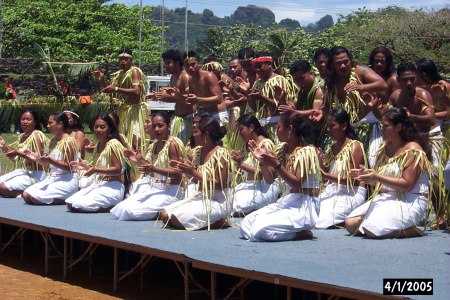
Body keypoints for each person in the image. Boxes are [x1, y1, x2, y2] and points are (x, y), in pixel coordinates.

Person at [345, 107, 433, 238]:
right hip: (386, 198)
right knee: (350, 224)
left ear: (398, 127)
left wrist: (376, 176)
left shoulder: (413, 149)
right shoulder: (385, 147)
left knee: (372, 230)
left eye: (385, 126)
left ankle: (412, 230)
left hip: (410, 200)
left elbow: (407, 185)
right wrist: (367, 177)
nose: (382, 129)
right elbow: (379, 183)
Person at [240, 110, 322, 241]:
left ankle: (302, 233)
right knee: (246, 224)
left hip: (304, 206)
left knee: (261, 231)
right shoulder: (282, 150)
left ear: (289, 129)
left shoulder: (307, 151)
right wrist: (262, 162)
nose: (276, 130)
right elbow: (270, 179)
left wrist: (277, 164)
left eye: (278, 127)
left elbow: (296, 183)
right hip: (287, 201)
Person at [160, 117, 234, 230]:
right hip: (201, 197)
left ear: (206, 134)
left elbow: (219, 185)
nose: (193, 135)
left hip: (219, 202)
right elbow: (197, 181)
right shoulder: (199, 151)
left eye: (196, 132)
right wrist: (186, 171)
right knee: (165, 215)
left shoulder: (221, 154)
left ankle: (219, 222)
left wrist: (193, 172)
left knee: (177, 219)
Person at [110, 112, 186, 220]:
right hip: (155, 189)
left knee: (130, 212)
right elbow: (152, 171)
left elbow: (178, 174)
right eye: (154, 126)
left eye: (160, 125)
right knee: (122, 207)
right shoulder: (155, 144)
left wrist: (154, 168)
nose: (156, 129)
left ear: (168, 126)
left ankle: (167, 212)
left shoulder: (173, 144)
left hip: (171, 191)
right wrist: (138, 161)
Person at [315, 109, 367, 229]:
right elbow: (324, 177)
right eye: (327, 126)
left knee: (321, 222)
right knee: (312, 213)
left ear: (343, 126)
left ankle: (345, 220)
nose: (328, 130)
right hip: (332, 190)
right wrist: (319, 161)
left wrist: (325, 175)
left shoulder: (355, 146)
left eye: (332, 126)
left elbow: (352, 180)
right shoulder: (332, 147)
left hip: (352, 192)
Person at [66, 114, 129, 212]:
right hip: (100, 184)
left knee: (79, 205)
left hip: (113, 186)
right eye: (96, 127)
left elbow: (118, 169)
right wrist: (86, 167)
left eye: (102, 127)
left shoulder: (113, 144)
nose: (98, 130)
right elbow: (100, 167)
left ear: (110, 129)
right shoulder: (99, 145)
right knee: (70, 202)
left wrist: (95, 170)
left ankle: (113, 204)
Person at [92, 47, 149, 150]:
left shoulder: (134, 71)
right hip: (124, 111)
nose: (123, 61)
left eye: (126, 58)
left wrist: (116, 88)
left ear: (131, 60)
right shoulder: (120, 74)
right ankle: (126, 163)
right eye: (120, 58)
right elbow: (112, 92)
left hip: (135, 110)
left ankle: (140, 162)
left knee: (136, 142)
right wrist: (101, 80)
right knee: (122, 140)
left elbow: (136, 91)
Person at [22, 112, 79, 205]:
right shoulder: (53, 141)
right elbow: (48, 166)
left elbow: (69, 166)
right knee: (26, 195)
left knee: (35, 198)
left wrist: (50, 160)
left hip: (67, 180)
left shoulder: (69, 141)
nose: (47, 126)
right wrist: (36, 159)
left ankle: (67, 198)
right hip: (52, 178)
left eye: (50, 123)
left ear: (60, 124)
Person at [323, 46, 387, 124]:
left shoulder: (360, 71)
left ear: (350, 60)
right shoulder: (330, 81)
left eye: (345, 61)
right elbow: (326, 106)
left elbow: (383, 85)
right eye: (338, 63)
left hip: (368, 123)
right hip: (346, 126)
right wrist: (322, 114)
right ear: (332, 65)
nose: (343, 66)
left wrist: (360, 87)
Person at [230, 114, 278, 216]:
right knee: (227, 202)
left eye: (241, 129)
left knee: (236, 206)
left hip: (264, 188)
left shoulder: (266, 144)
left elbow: (265, 175)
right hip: (251, 186)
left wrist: (241, 164)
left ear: (251, 127)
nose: (239, 133)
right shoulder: (249, 145)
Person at [147, 49, 194, 145]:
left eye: (169, 63)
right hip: (177, 119)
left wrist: (174, 97)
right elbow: (175, 98)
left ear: (177, 62)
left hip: (187, 119)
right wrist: (161, 97)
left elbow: (190, 101)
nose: (167, 66)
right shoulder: (173, 77)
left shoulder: (184, 77)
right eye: (165, 63)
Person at [247, 52, 297, 139]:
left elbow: (281, 107)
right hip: (261, 124)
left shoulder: (279, 80)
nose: (258, 69)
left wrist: (261, 97)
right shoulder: (257, 83)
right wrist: (247, 92)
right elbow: (255, 109)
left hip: (277, 124)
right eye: (255, 66)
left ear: (269, 64)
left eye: (260, 65)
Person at [0, 110, 47, 197]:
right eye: (23, 119)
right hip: (22, 172)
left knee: (2, 188)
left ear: (35, 122)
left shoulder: (37, 135)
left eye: (28, 119)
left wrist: (18, 153)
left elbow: (38, 159)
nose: (25, 122)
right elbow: (17, 160)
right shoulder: (22, 136)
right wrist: (4, 148)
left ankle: (27, 193)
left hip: (35, 174)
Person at [182, 50, 227, 124]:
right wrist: (176, 95)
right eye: (187, 65)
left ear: (199, 64)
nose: (190, 68)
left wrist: (198, 99)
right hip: (205, 115)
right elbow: (190, 100)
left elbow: (218, 99)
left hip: (218, 114)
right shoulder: (190, 80)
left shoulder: (208, 76)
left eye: (193, 64)